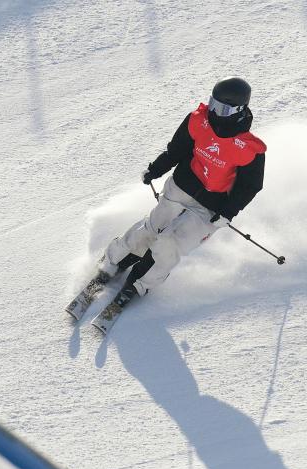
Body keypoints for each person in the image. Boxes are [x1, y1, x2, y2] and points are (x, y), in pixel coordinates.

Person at [97, 77, 267, 312]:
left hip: (211, 205)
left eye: (223, 109)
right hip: (182, 185)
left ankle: (140, 284)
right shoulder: (199, 121)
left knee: (171, 244)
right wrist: (155, 169)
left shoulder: (249, 149)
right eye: (213, 104)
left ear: (239, 110)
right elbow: (177, 149)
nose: (215, 112)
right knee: (152, 228)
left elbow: (250, 186)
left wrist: (228, 212)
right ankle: (114, 261)